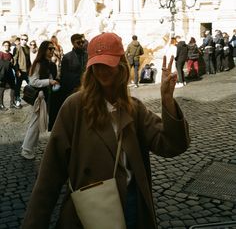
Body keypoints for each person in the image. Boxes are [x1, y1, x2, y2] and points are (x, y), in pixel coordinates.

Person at [21, 32, 190, 228]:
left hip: (132, 206)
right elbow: (50, 174)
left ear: (121, 65)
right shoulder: (74, 107)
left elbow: (173, 145)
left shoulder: (134, 109)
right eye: (97, 64)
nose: (102, 70)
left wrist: (167, 100)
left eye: (108, 63)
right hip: (89, 211)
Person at [21, 41, 59, 160]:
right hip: (39, 97)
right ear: (43, 50)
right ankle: (26, 150)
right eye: (49, 49)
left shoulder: (50, 63)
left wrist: (53, 81)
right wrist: (49, 81)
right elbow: (33, 81)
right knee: (35, 123)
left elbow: (51, 77)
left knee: (36, 123)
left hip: (46, 97)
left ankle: (27, 148)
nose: (52, 51)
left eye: (53, 48)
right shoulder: (38, 64)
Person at [60, 33, 88, 100]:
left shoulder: (87, 55)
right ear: (73, 43)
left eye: (82, 42)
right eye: (78, 42)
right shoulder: (67, 57)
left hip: (86, 87)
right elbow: (64, 76)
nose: (81, 44)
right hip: (72, 89)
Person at [13, 34, 31, 108]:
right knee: (18, 87)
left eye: (26, 39)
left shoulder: (28, 48)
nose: (24, 41)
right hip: (20, 70)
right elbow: (15, 60)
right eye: (23, 39)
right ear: (20, 40)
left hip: (27, 71)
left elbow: (29, 59)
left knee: (31, 85)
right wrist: (17, 70)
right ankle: (17, 101)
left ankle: (31, 100)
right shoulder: (17, 48)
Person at [0, 41, 16, 110]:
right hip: (2, 74)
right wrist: (9, 62)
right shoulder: (0, 53)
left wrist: (16, 70)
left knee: (13, 87)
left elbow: (12, 64)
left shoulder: (10, 54)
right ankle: (1, 105)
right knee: (2, 89)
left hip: (9, 73)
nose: (7, 46)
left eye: (8, 45)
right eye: (5, 45)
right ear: (3, 46)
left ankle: (12, 103)